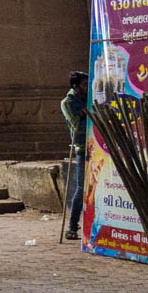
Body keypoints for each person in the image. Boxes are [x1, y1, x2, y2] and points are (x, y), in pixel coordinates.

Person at [61, 70, 89, 242]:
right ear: (76, 86)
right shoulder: (68, 102)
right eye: (85, 84)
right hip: (82, 146)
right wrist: (88, 111)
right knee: (81, 187)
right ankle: (72, 226)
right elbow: (76, 123)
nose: (87, 87)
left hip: (98, 146)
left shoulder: (89, 97)